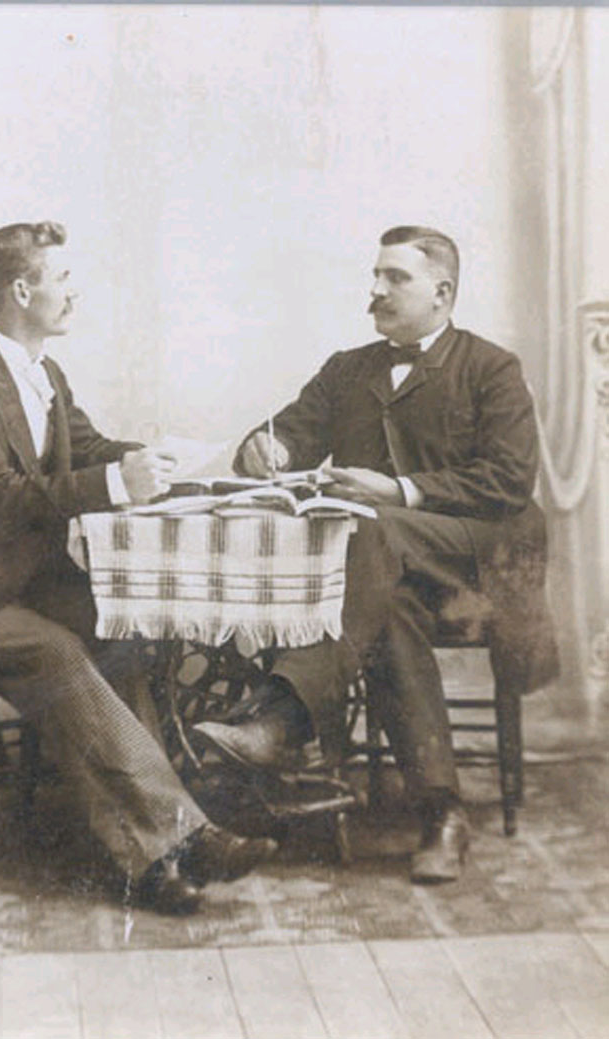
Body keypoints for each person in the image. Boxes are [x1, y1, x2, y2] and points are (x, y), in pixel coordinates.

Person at [0, 221, 276, 915]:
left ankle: (158, 851)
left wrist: (150, 459)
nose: (73, 292)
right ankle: (178, 841)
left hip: (20, 586)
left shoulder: (43, 372)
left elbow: (84, 447)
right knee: (57, 653)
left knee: (120, 632)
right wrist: (117, 482)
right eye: (61, 279)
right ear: (21, 291)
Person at [194, 225, 558, 884]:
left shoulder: (492, 368)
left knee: (372, 529)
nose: (376, 290)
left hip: (479, 561)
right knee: (385, 609)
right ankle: (442, 814)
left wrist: (399, 490)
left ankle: (285, 715)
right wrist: (265, 449)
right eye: (375, 275)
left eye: (396, 277)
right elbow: (286, 433)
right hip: (384, 577)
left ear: (442, 292)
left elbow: (509, 482)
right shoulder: (348, 370)